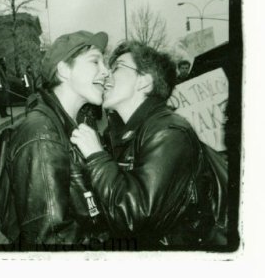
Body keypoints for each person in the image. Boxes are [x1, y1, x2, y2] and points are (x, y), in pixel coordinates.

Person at [71, 41, 215, 247]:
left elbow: (134, 217)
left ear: (144, 82)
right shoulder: (119, 134)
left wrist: (96, 157)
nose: (106, 75)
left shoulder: (169, 132)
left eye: (117, 67)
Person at [5, 30, 109, 245]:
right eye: (95, 62)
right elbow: (51, 238)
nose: (106, 71)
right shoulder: (42, 135)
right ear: (63, 70)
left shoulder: (75, 124)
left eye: (105, 63)